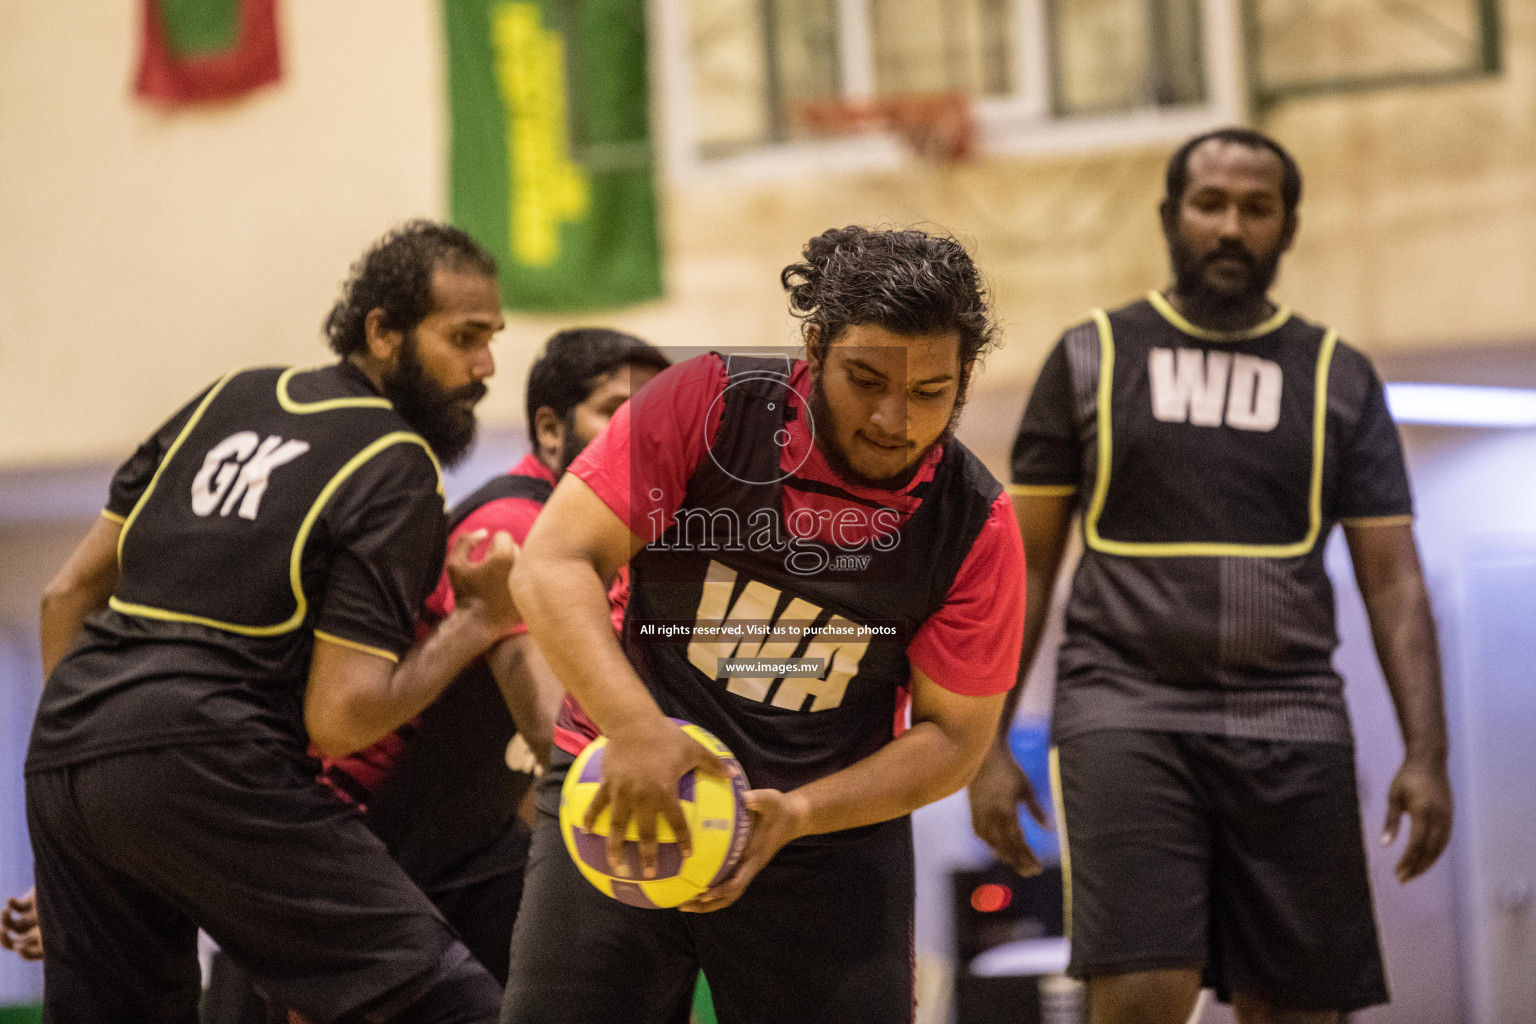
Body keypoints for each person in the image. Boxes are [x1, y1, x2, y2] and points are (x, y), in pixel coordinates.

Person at [966, 128, 1454, 1024]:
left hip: (1292, 709)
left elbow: (1394, 579)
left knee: (1301, 1005)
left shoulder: (1337, 375)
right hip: (1125, 706)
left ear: (1288, 227)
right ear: (1171, 217)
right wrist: (984, 739)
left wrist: (1429, 752)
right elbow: (1026, 567)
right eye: (1211, 204)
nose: (1232, 227)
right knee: (1145, 986)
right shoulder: (1091, 358)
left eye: (1256, 208)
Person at [502, 225, 1027, 1024]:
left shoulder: (976, 523)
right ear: (815, 347)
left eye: (931, 392)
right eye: (866, 379)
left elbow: (955, 738)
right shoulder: (706, 404)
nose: (895, 419)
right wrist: (636, 731)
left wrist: (803, 813)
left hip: (824, 836)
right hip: (625, 791)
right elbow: (552, 564)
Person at [23, 221, 518, 1024]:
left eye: (492, 339)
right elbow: (343, 717)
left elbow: (63, 598)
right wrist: (475, 621)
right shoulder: (394, 462)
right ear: (382, 331)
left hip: (67, 743)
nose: (486, 366)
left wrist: (91, 781)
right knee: (451, 1004)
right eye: (463, 338)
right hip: (207, 749)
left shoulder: (228, 395)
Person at [317, 326, 670, 987]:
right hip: (358, 847)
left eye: (658, 423)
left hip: (460, 848)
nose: (643, 441)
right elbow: (548, 730)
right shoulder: (511, 529)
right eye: (617, 415)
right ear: (549, 427)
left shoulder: (609, 551)